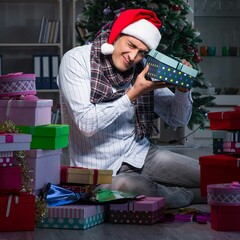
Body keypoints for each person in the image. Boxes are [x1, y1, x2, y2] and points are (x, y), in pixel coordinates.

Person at [57, 8, 205, 208]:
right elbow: (86, 123)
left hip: (140, 154)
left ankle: (181, 192)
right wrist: (133, 93)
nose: (133, 56)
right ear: (116, 35)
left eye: (142, 52)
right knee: (130, 186)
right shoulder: (76, 60)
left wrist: (182, 90)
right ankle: (192, 195)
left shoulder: (142, 67)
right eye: (131, 45)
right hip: (99, 170)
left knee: (210, 173)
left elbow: (177, 119)